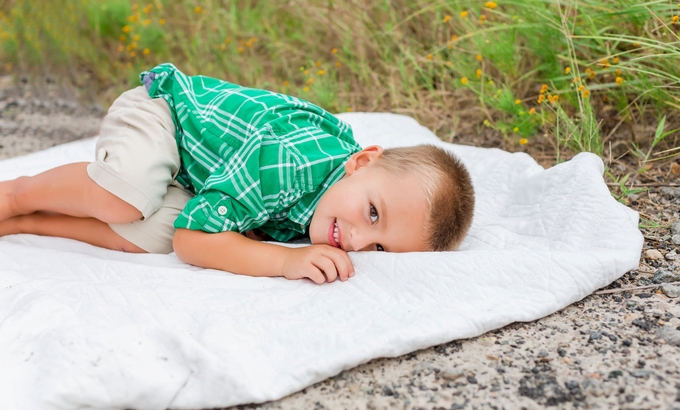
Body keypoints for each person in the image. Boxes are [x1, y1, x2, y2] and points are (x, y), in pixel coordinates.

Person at [0, 63, 475, 284]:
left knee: (154, 233)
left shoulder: (332, 200)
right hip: (166, 115)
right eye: (373, 213)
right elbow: (196, 242)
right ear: (362, 161)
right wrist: (283, 261)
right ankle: (17, 196)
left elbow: (184, 234)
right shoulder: (290, 165)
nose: (356, 241)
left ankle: (24, 224)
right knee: (124, 200)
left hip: (196, 175)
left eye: (379, 247)